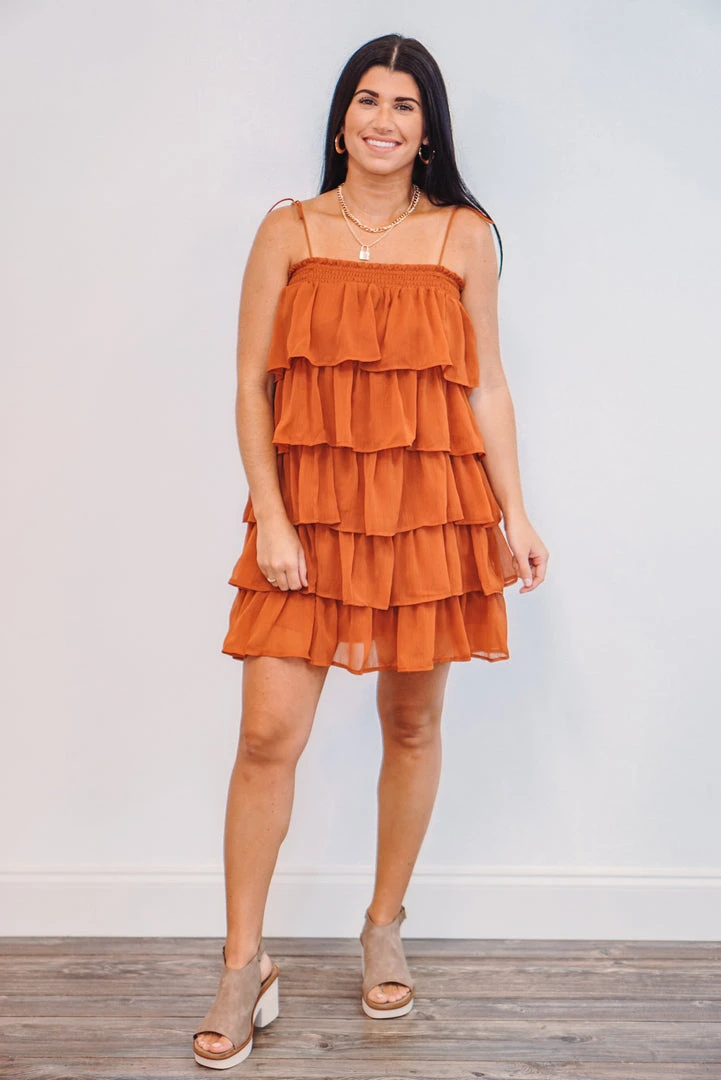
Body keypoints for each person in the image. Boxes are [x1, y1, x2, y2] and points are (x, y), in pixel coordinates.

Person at [192, 32, 549, 1070]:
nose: (382, 119)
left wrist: (514, 514)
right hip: (305, 511)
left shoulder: (463, 237)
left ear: (427, 130)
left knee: (412, 721)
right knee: (267, 734)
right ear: (341, 119)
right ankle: (243, 964)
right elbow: (252, 384)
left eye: (403, 104)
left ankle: (384, 923)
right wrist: (272, 517)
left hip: (427, 510)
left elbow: (486, 387)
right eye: (366, 99)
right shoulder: (289, 229)